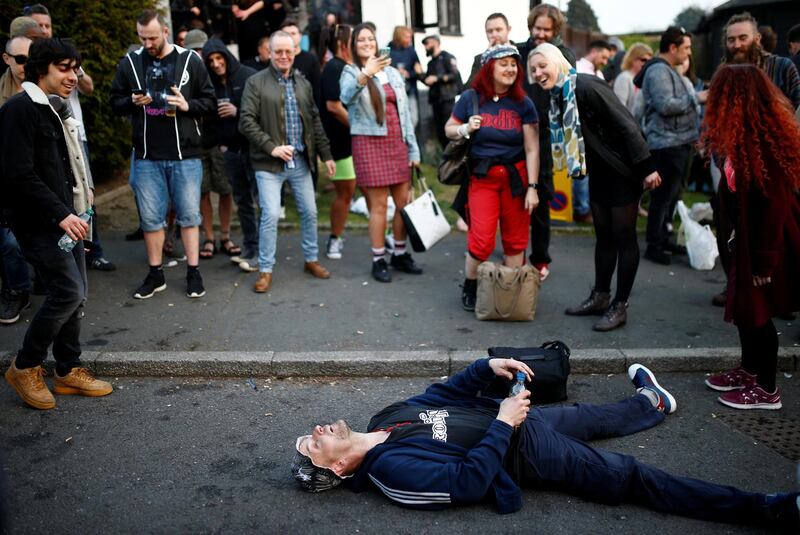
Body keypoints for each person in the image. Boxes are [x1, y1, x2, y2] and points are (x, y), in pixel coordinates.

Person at [290, 356, 800, 530]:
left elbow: (440, 395)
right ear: (336, 470)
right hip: (523, 451)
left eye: (309, 435)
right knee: (630, 476)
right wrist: (504, 425)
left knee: (586, 414)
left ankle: (651, 404)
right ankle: (770, 510)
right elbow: (466, 484)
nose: (316, 432)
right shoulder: (390, 474)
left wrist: (485, 369)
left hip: (511, 421)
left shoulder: (385, 418)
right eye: (311, 448)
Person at [1, 38, 113, 410]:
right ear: (40, 68)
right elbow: (18, 175)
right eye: (64, 67)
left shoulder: (55, 108)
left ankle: (67, 369)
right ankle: (25, 365)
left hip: (69, 220)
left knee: (77, 295)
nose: (73, 75)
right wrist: (60, 214)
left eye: (75, 68)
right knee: (66, 293)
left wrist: (80, 205)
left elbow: (65, 167)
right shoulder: (20, 109)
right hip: (40, 223)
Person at [530, 43, 661, 332]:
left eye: (543, 66)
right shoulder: (558, 96)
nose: (538, 73)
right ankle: (601, 296)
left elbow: (626, 124)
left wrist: (647, 167)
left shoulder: (586, 86)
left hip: (624, 169)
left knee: (624, 235)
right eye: (534, 69)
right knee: (604, 236)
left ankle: (620, 305)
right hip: (600, 172)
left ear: (558, 63)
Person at [700, 65, 800, 410]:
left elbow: (774, 208)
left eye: (722, 95)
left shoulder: (765, 143)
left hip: (765, 246)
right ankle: (749, 370)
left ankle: (767, 389)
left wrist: (764, 260)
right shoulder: (742, 136)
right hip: (742, 243)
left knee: (759, 314)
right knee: (745, 310)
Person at [110, 9, 216, 299]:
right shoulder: (131, 62)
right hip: (147, 156)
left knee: (189, 216)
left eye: (153, 38)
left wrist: (186, 105)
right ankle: (155, 274)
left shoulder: (190, 60)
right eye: (142, 38)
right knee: (151, 219)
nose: (147, 43)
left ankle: (193, 272)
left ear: (166, 32)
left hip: (186, 155)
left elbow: (209, 101)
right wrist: (131, 101)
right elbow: (114, 101)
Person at [238, 30, 335, 294]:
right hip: (268, 164)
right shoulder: (255, 82)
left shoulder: (302, 83)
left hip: (300, 162)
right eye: (278, 51)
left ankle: (311, 259)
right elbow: (245, 121)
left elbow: (314, 120)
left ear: (294, 52)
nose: (283, 56)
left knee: (310, 212)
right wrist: (272, 148)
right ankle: (265, 270)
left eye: (288, 51)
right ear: (269, 52)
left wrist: (325, 155)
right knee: (269, 215)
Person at [445, 44, 540, 311]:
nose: (511, 69)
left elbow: (532, 148)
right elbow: (449, 129)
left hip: (516, 179)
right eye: (504, 64)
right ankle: (471, 284)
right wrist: (465, 127)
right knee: (482, 239)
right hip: (482, 178)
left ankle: (509, 292)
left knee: (516, 239)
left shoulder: (524, 103)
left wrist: (532, 187)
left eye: (514, 64)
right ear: (489, 68)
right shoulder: (471, 99)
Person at [340, 23, 423, 283]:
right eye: (361, 40)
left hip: (397, 143)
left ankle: (399, 254)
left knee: (403, 205)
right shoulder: (350, 71)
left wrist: (413, 147)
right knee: (378, 207)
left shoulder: (392, 73)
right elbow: (345, 96)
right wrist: (366, 73)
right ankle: (378, 259)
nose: (366, 43)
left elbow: (405, 115)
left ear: (377, 43)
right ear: (354, 45)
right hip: (369, 144)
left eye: (370, 39)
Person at [517, 4, 577, 280]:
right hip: (515, 133)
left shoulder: (563, 57)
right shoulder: (517, 52)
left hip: (543, 135)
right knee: (513, 193)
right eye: (536, 28)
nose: (540, 34)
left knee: (540, 196)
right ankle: (514, 251)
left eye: (546, 30)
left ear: (555, 32)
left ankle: (540, 258)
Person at [634, 26, 700, 266]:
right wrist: (696, 97)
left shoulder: (665, 70)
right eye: (686, 48)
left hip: (677, 143)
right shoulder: (659, 71)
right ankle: (654, 244)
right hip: (666, 145)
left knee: (671, 197)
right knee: (662, 198)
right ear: (673, 48)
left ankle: (664, 237)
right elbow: (665, 106)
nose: (689, 53)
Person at [201, 38, 258, 269]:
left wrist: (238, 111)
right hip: (230, 151)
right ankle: (250, 246)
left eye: (219, 58)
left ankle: (262, 251)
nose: (216, 64)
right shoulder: (209, 84)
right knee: (242, 201)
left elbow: (261, 109)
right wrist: (221, 143)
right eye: (211, 60)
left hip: (253, 148)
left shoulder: (247, 75)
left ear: (226, 56)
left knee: (261, 202)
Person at [319, 24, 356, 260]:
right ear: (343, 44)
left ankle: (385, 238)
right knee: (346, 193)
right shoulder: (335, 67)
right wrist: (360, 127)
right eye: (355, 39)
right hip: (341, 145)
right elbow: (333, 106)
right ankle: (334, 239)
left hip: (353, 143)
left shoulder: (348, 67)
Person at [422, 34, 462, 149]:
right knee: (440, 132)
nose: (425, 47)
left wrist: (437, 78)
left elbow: (453, 75)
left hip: (448, 99)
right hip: (435, 101)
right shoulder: (431, 63)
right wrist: (420, 75)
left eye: (427, 43)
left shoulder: (447, 57)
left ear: (435, 43)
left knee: (450, 129)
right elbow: (428, 81)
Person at [466, 13, 514, 87]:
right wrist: (486, 60)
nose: (494, 35)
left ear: (508, 29)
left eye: (498, 30)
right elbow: (469, 88)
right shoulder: (479, 59)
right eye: (490, 31)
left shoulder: (521, 52)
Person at [388, 26, 422, 127]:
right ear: (399, 37)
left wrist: (408, 74)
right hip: (394, 92)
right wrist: (396, 72)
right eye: (407, 37)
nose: (410, 40)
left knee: (413, 119)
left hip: (410, 90)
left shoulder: (411, 51)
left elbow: (419, 71)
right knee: (397, 121)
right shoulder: (388, 51)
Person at [612, 42, 652, 115]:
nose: (647, 63)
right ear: (633, 59)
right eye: (644, 60)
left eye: (649, 61)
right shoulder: (624, 78)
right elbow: (619, 109)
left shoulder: (645, 78)